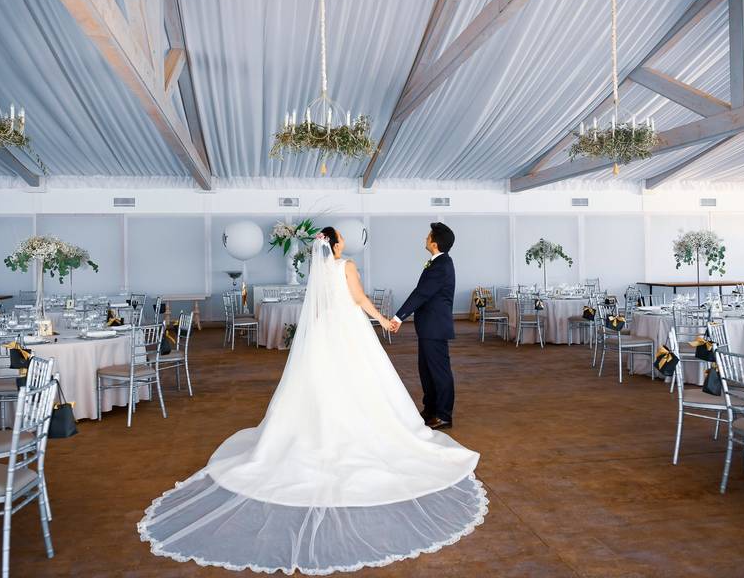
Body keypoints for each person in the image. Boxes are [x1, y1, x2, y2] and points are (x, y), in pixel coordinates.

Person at [139, 226, 486, 574]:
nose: (345, 241)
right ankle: (381, 424)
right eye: (342, 238)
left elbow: (322, 305)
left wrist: (389, 318)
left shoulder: (321, 271)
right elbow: (359, 300)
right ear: (335, 244)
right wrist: (383, 319)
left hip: (325, 333)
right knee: (362, 382)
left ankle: (334, 426)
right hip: (350, 331)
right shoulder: (347, 266)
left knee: (321, 381)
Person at [390, 222, 456, 430]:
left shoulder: (441, 265)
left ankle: (444, 415)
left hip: (435, 327)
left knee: (439, 372)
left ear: (434, 243)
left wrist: (399, 317)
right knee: (426, 371)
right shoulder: (438, 262)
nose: (425, 239)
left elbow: (421, 293)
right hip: (429, 326)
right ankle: (430, 410)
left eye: (428, 236)